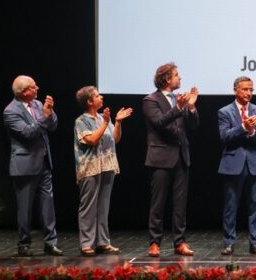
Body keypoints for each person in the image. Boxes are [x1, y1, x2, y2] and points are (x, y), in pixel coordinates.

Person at [142, 62, 199, 257]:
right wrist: (179, 107)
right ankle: (154, 243)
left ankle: (180, 242)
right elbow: (159, 122)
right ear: (167, 79)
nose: (180, 78)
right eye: (176, 75)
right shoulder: (151, 100)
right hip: (161, 157)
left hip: (181, 157)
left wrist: (191, 107)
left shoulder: (179, 99)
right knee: (158, 203)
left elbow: (193, 126)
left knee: (180, 205)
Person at [3, 75, 63, 256]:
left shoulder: (37, 104)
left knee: (48, 205)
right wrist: (44, 116)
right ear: (22, 92)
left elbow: (52, 126)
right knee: (25, 207)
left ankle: (50, 243)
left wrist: (50, 112)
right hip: (25, 165)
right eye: (32, 87)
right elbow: (28, 133)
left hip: (44, 162)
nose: (37, 88)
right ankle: (24, 243)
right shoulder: (10, 111)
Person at [73, 86, 133, 256]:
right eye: (97, 96)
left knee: (103, 206)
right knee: (88, 206)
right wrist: (106, 123)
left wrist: (117, 122)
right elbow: (92, 140)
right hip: (90, 167)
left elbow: (115, 138)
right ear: (89, 101)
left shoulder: (102, 117)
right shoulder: (81, 121)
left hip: (107, 166)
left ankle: (103, 242)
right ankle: (87, 243)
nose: (101, 97)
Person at [218, 76, 256, 256]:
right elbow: (224, 136)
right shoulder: (224, 112)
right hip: (233, 165)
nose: (249, 93)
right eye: (245, 89)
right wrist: (243, 127)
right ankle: (228, 243)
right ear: (236, 90)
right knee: (230, 206)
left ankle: (255, 243)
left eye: (251, 90)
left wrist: (252, 131)